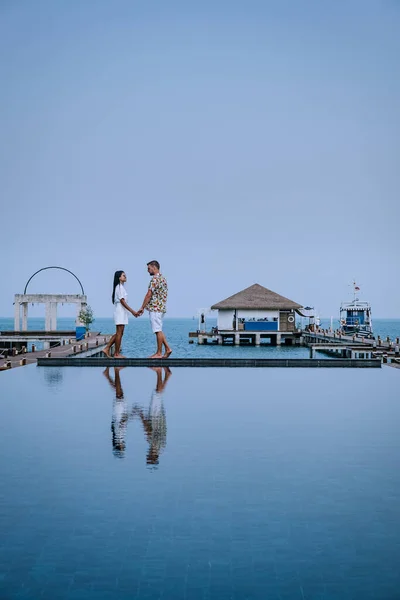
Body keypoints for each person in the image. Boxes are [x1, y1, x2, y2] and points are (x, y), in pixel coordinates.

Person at [133, 366, 171, 466]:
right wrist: (140, 414)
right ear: (153, 456)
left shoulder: (161, 446)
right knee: (157, 394)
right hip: (156, 417)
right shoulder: (155, 446)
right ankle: (160, 372)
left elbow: (150, 429)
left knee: (157, 394)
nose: (147, 453)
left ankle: (165, 375)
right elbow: (148, 428)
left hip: (160, 419)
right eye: (149, 456)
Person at [137, 261, 172, 359]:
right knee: (159, 329)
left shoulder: (155, 279)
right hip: (161, 307)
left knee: (157, 330)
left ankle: (159, 353)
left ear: (154, 267)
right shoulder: (163, 279)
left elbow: (149, 294)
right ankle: (168, 349)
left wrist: (142, 307)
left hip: (155, 308)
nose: (148, 271)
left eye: (149, 268)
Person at [103, 270, 138, 358]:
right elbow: (122, 301)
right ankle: (116, 353)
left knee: (120, 333)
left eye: (125, 275)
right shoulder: (119, 287)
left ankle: (107, 349)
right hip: (120, 311)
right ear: (119, 277)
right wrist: (132, 311)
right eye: (123, 275)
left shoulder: (121, 287)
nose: (125, 276)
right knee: (119, 333)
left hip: (122, 311)